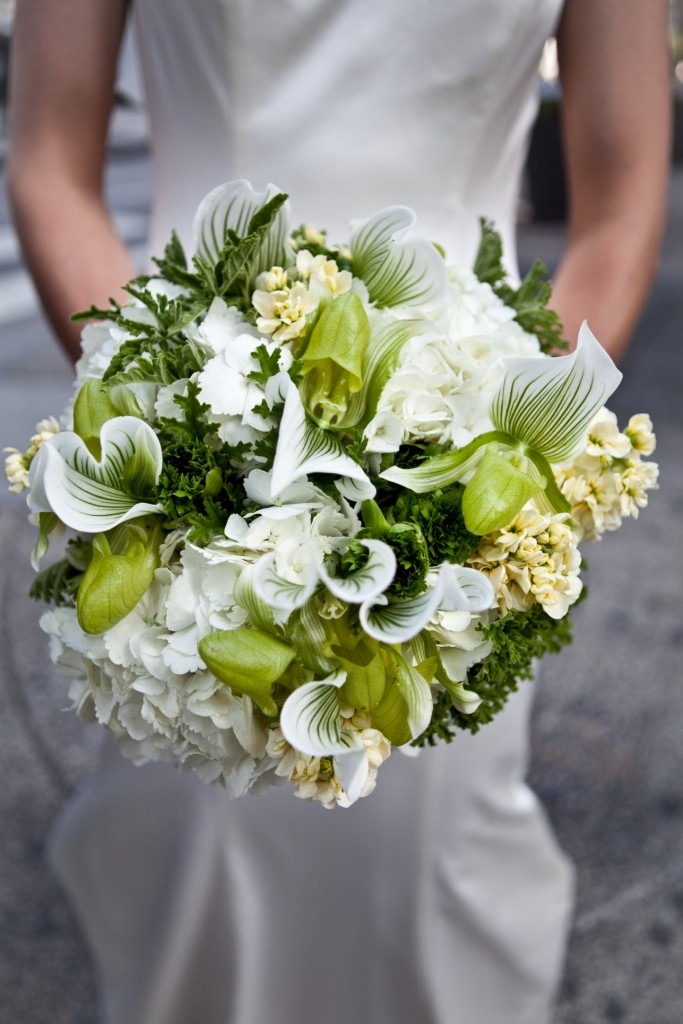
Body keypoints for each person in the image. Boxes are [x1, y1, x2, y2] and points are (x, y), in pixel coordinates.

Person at [7, 2, 670, 1023]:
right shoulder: (192, 443)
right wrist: (180, 431)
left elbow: (619, 202)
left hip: (455, 450)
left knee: (425, 876)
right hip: (200, 426)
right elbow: (52, 161)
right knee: (198, 872)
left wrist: (512, 457)